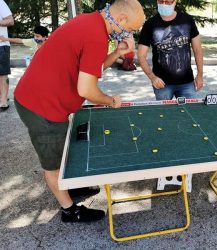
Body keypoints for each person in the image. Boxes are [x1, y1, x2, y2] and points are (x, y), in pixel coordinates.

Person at [14, 0, 145, 223]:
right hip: (41, 107)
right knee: (53, 163)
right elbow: (87, 89)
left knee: (64, 149)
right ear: (121, 20)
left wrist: (117, 53)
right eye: (131, 29)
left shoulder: (91, 22)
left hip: (46, 101)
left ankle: (67, 188)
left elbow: (90, 67)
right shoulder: (96, 35)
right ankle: (69, 210)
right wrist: (110, 101)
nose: (130, 33)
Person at [138, 0, 204, 100]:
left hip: (187, 83)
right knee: (164, 114)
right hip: (162, 84)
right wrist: (152, 77)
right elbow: (141, 56)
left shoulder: (187, 20)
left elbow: (197, 50)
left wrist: (200, 75)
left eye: (168, 2)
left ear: (175, 2)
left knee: (189, 113)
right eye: (161, 1)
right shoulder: (149, 25)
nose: (164, 4)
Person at [0, 0, 14, 111]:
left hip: (1, 44)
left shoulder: (0, 3)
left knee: (2, 73)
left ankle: (3, 100)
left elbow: (10, 21)